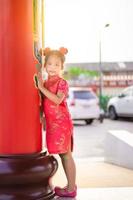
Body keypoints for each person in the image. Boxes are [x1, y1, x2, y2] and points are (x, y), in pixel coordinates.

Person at [36, 47, 77, 198]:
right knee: (62, 155)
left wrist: (40, 87)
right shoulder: (46, 82)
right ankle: (70, 186)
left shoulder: (62, 82)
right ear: (45, 65)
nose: (52, 68)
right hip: (53, 125)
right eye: (50, 64)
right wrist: (42, 116)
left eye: (56, 65)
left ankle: (71, 188)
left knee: (66, 155)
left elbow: (57, 99)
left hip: (62, 123)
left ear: (62, 67)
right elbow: (43, 103)